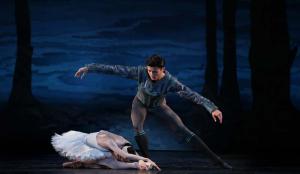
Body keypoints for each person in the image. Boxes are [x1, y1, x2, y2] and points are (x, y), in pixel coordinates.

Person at [74, 54, 232, 169]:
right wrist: (89, 67)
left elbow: (192, 95)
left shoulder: (171, 82)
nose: (151, 74)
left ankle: (216, 160)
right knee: (137, 127)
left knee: (183, 130)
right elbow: (115, 69)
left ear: (163, 70)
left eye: (155, 72)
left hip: (159, 105)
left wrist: (212, 108)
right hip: (140, 103)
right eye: (149, 71)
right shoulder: (141, 72)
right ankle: (147, 160)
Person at [51, 130, 161, 170]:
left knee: (112, 161)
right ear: (119, 150)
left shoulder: (125, 143)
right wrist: (147, 159)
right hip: (84, 143)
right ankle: (83, 163)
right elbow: (126, 156)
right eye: (121, 157)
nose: (121, 159)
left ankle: (87, 165)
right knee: (101, 157)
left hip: (103, 147)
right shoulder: (110, 142)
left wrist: (141, 163)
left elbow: (130, 154)